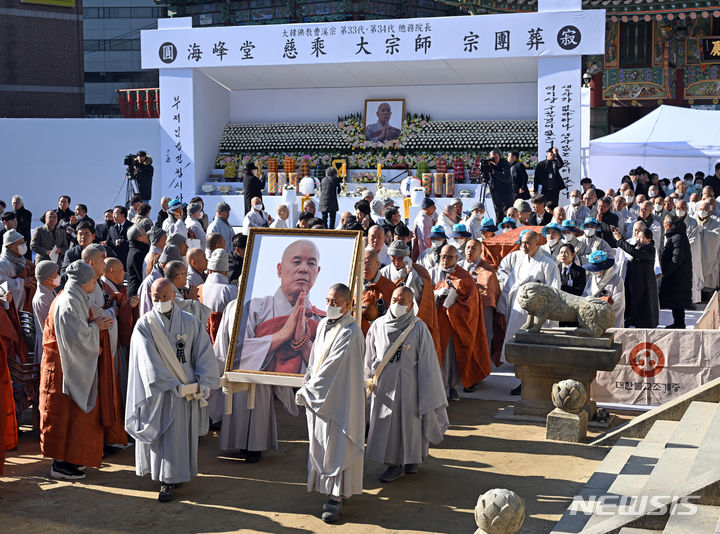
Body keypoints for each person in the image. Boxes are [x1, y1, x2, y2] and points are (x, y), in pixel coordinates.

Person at [214, 240, 325, 463]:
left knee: (259, 411)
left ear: (317, 272)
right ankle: (245, 446)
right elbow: (234, 349)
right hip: (245, 376)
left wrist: (303, 343)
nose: (304, 268)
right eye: (297, 261)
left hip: (265, 382)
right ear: (279, 269)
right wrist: (280, 336)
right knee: (241, 405)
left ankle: (254, 447)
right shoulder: (251, 306)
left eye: (311, 263)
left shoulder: (321, 316)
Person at [126, 278, 219, 502]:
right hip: (160, 392)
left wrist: (204, 382)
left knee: (180, 436)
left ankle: (177, 475)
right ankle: (165, 480)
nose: (160, 301)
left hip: (186, 391)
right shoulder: (144, 325)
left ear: (173, 296)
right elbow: (147, 362)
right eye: (156, 298)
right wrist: (169, 384)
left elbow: (203, 353)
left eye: (164, 297)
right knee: (164, 435)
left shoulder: (190, 321)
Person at [295, 283, 364, 523]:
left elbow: (333, 368)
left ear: (348, 305)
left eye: (335, 302)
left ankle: (337, 496)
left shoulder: (351, 333)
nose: (330, 305)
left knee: (338, 444)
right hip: (320, 398)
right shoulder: (324, 324)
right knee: (322, 443)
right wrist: (308, 382)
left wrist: (309, 390)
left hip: (340, 400)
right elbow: (315, 361)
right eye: (327, 300)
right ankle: (325, 488)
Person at [39, 260, 115, 480]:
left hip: (70, 364)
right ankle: (60, 464)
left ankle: (70, 459)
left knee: (73, 417)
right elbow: (75, 338)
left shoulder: (76, 297)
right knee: (63, 417)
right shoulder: (68, 302)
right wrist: (96, 328)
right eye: (93, 279)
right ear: (83, 282)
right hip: (63, 366)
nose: (95, 282)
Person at [365, 285, 448, 482]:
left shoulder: (418, 327)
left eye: (402, 302)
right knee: (388, 426)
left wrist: (427, 390)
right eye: (394, 299)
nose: (397, 304)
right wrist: (367, 382)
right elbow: (369, 357)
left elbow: (428, 363)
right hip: (384, 387)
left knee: (411, 424)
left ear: (411, 305)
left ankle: (410, 460)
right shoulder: (378, 325)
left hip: (410, 387)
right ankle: (394, 463)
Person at [430, 244, 490, 401]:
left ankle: (453, 387)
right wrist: (436, 293)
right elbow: (423, 294)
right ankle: (439, 388)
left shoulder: (464, 277)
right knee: (439, 357)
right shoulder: (433, 272)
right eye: (443, 256)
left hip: (456, 323)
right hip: (437, 322)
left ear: (457, 259)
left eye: (450, 257)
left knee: (453, 357)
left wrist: (455, 304)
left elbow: (471, 302)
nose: (445, 260)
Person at [497, 230, 561, 372]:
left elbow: (554, 290)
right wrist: (503, 307)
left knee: (536, 346)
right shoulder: (520, 262)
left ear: (537, 243)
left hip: (537, 310)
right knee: (517, 341)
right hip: (518, 308)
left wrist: (548, 314)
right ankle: (520, 371)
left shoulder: (548, 264)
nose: (524, 246)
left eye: (528, 243)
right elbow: (510, 285)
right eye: (522, 243)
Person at [460, 239, 502, 362]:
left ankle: (484, 364)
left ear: (480, 251)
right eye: (467, 247)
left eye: (473, 248)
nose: (469, 251)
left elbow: (488, 290)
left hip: (483, 307)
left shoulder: (486, 269)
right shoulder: (459, 265)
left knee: (484, 335)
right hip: (462, 307)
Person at [611, 226, 658, 328]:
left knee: (644, 307)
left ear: (648, 239)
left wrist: (620, 240)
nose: (638, 240)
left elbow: (634, 252)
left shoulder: (650, 250)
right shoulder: (639, 247)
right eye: (638, 237)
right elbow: (632, 250)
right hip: (635, 283)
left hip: (644, 284)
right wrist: (619, 237)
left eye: (642, 238)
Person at [659, 215, 693, 329]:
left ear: (668, 224)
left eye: (664, 223)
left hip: (678, 277)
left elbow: (677, 259)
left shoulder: (677, 237)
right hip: (677, 277)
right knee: (676, 303)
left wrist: (665, 271)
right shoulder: (676, 235)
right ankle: (678, 323)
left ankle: (679, 324)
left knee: (678, 302)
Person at [582, 251, 625, 329]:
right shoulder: (591, 279)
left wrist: (602, 305)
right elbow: (585, 296)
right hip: (593, 317)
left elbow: (619, 302)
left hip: (610, 317)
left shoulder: (617, 280)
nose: (594, 272)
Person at [137, 245, 183, 315]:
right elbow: (146, 310)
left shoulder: (169, 279)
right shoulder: (151, 282)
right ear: (164, 266)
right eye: (174, 268)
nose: (176, 271)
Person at [361, 249, 395, 335]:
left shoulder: (389, 288)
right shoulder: (354, 285)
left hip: (380, 336)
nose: (365, 267)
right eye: (362, 263)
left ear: (377, 264)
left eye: (368, 264)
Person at [0, 230, 35, 310]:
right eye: (20, 243)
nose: (23, 245)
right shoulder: (3, 263)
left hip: (23, 303)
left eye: (23, 242)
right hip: (10, 308)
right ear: (10, 246)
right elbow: (1, 284)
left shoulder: (21, 259)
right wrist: (21, 282)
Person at [32, 260, 59, 360]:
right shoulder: (42, 298)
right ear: (46, 279)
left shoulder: (50, 291)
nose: (58, 277)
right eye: (55, 275)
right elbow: (49, 324)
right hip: (48, 341)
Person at [694, 200, 720, 290]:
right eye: (701, 209)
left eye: (705, 210)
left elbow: (717, 235)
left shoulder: (715, 222)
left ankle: (707, 293)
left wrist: (703, 232)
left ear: (710, 211)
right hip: (695, 253)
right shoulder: (693, 220)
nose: (702, 211)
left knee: (708, 281)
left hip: (707, 254)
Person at [487, 149, 513, 219]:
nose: (494, 160)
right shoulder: (490, 164)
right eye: (492, 158)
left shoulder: (505, 164)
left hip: (506, 195)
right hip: (496, 193)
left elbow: (506, 178)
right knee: (498, 214)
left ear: (500, 157)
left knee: (506, 214)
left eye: (496, 158)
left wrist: (494, 172)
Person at [126, 225, 150, 298]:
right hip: (136, 294)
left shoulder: (134, 250)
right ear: (139, 238)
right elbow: (142, 276)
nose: (147, 236)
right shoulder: (138, 253)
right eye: (145, 234)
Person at [11, 195, 32, 260]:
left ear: (22, 204)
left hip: (24, 240)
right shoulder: (10, 214)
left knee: (26, 261)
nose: (15, 204)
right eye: (14, 203)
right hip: (12, 241)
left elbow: (22, 225)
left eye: (17, 203)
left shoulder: (27, 213)